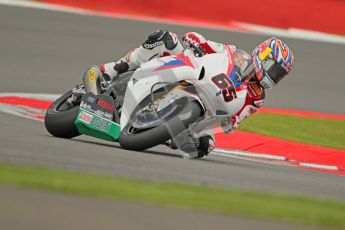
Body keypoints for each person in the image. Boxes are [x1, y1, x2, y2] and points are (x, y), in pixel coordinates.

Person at [82, 30, 295, 157]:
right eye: (275, 70)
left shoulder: (257, 97)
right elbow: (204, 43)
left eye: (280, 75)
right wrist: (195, 41)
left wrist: (221, 126)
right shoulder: (234, 52)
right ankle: (108, 71)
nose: (275, 77)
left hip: (207, 107)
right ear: (264, 57)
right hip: (190, 69)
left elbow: (233, 120)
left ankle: (157, 127)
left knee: (204, 147)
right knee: (165, 39)